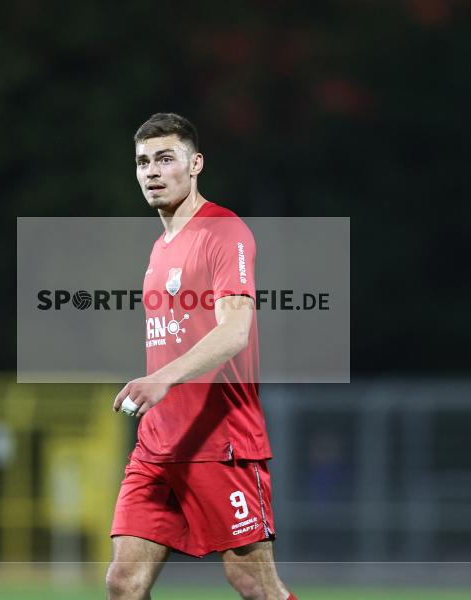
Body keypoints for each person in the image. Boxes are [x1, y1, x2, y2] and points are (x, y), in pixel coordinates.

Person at [107, 113, 296, 600]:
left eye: (165, 159)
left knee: (253, 584)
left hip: (221, 442)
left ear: (195, 165)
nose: (151, 171)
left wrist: (162, 380)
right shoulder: (159, 248)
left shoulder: (223, 230)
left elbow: (234, 330)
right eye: (143, 161)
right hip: (157, 445)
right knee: (124, 584)